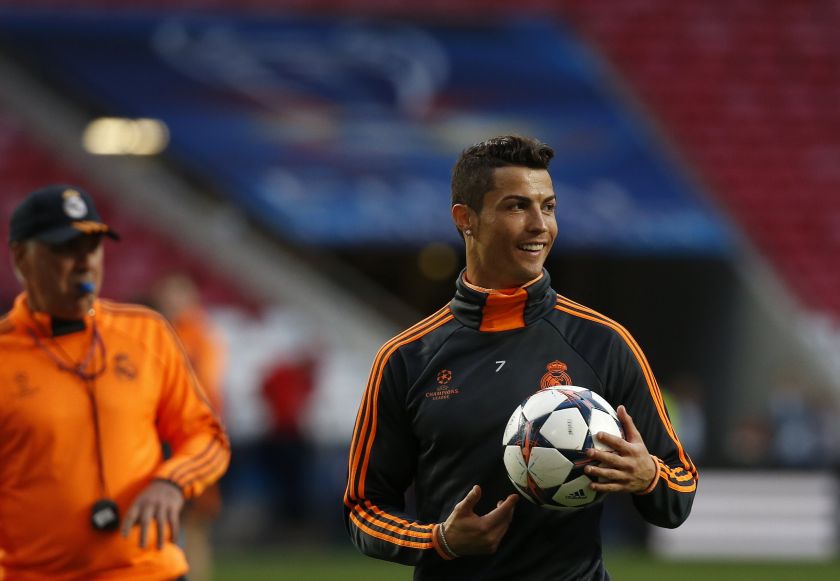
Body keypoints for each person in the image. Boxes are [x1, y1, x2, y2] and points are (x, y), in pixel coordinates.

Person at [343, 136, 697, 580]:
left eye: (547, 207)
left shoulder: (605, 342)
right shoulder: (406, 358)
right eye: (516, 207)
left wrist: (648, 477)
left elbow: (678, 493)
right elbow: (364, 509)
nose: (539, 225)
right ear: (465, 219)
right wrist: (439, 541)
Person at [0, 185, 230, 580]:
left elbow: (207, 437)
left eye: (92, 246)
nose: (84, 262)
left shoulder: (147, 333)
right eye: (64, 249)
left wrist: (172, 484)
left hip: (151, 571)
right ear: (21, 257)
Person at [147, 273, 227, 581]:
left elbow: (204, 390)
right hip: (161, 436)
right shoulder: (157, 333)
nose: (172, 301)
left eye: (177, 294)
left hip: (192, 438)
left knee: (193, 522)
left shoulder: (200, 337)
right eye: (167, 294)